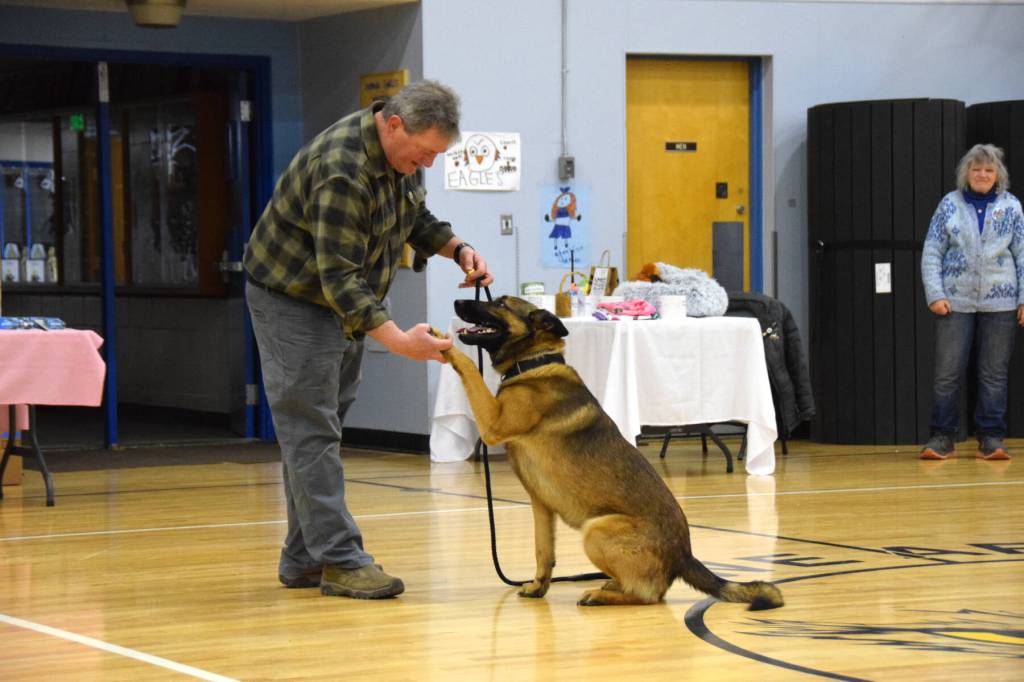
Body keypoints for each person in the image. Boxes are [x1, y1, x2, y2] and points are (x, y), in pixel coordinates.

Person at [243, 80, 493, 599]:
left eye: (435, 156)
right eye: (424, 152)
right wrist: (400, 341)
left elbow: (415, 218)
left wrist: (458, 249)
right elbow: (339, 278)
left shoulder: (398, 160)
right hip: (293, 299)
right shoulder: (343, 168)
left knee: (318, 428)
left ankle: (303, 556)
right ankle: (340, 559)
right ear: (394, 124)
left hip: (339, 305)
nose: (426, 164)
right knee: (311, 428)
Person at [920, 143, 1024, 461]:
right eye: (976, 168)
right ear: (967, 172)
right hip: (954, 302)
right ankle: (942, 438)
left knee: (994, 373)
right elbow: (932, 251)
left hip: (1002, 302)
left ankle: (991, 439)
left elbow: (1022, 253)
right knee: (947, 372)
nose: (982, 174)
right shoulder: (949, 205)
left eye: (989, 170)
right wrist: (935, 293)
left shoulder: (1012, 207)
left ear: (998, 175)